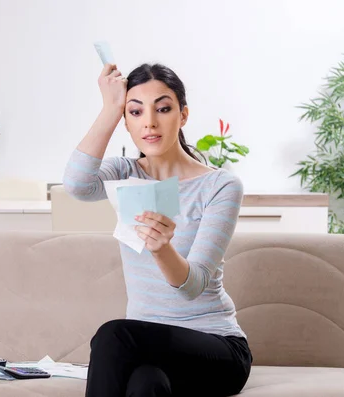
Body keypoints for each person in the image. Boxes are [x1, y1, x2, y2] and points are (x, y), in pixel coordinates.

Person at [62, 63, 253, 397]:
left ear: (183, 116)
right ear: (126, 121)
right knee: (146, 384)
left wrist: (162, 248)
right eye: (135, 112)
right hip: (148, 349)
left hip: (217, 348)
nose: (149, 122)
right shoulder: (124, 173)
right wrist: (110, 109)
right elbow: (77, 185)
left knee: (113, 336)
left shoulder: (220, 185)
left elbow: (193, 286)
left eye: (163, 109)